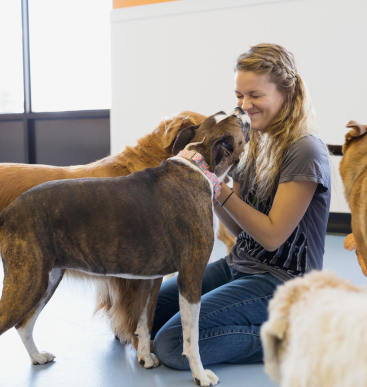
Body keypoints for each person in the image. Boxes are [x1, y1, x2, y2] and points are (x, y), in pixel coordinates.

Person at [151, 43, 331, 369]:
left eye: (255, 96)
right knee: (147, 315)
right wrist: (207, 179)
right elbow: (239, 229)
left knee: (171, 344)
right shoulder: (256, 141)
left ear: (286, 94)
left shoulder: (305, 150)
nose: (244, 106)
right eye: (239, 96)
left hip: (283, 282)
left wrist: (217, 187)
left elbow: (273, 237)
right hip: (240, 263)